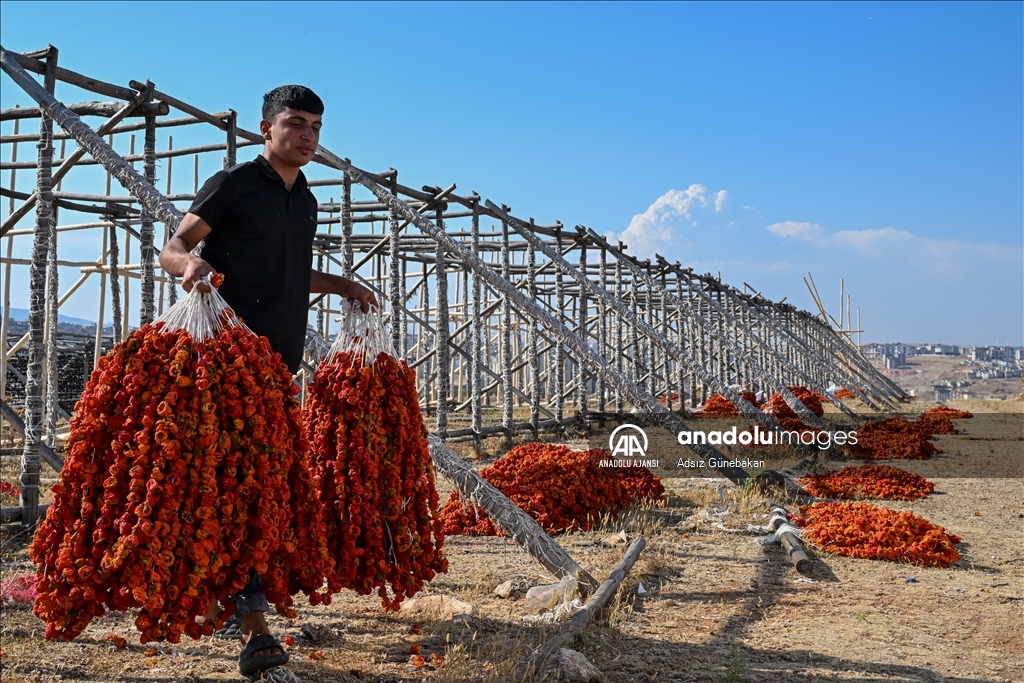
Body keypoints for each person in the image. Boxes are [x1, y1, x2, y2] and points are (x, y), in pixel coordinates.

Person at [159, 85, 375, 678]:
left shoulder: (304, 199)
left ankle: (217, 597)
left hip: (277, 367)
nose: (307, 135)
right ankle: (251, 622)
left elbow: (287, 271)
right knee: (236, 480)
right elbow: (173, 246)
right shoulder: (235, 183)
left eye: (315, 127)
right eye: (296, 123)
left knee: (253, 481)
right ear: (266, 128)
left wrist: (340, 285)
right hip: (223, 365)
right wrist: (192, 266)